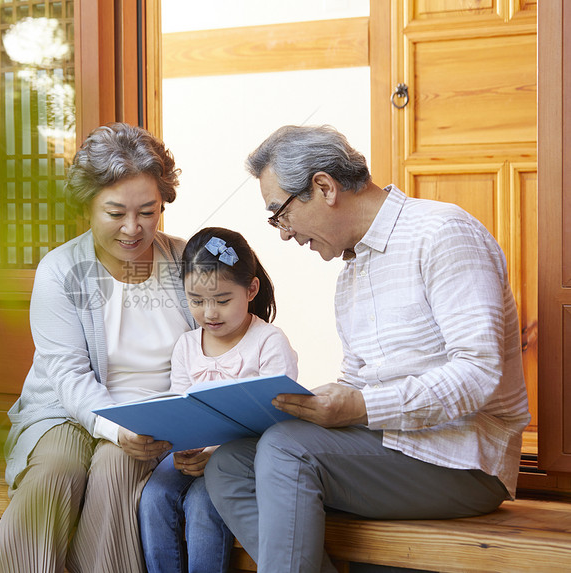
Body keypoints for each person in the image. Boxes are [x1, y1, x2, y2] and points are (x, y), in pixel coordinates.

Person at [204, 125, 531, 573]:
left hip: (462, 458)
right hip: (392, 445)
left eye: (280, 213)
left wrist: (360, 406)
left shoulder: (442, 233)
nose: (282, 234)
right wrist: (325, 403)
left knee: (286, 448)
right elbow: (358, 383)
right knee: (228, 464)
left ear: (323, 187)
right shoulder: (352, 274)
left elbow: (478, 373)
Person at [0, 123, 195, 573]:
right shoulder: (60, 270)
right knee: (56, 472)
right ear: (87, 207)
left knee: (117, 466)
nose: (133, 229)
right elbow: (70, 376)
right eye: (115, 213)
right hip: (63, 409)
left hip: (154, 412)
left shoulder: (188, 259)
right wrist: (116, 428)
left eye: (148, 212)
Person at [138, 227, 299, 573]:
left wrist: (217, 454)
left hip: (246, 456)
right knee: (153, 496)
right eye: (196, 300)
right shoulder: (186, 345)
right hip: (194, 452)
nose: (209, 313)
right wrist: (182, 449)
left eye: (222, 300)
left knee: (201, 503)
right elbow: (181, 408)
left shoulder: (268, 342)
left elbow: (277, 422)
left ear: (251, 289)